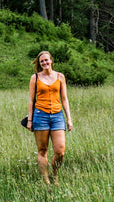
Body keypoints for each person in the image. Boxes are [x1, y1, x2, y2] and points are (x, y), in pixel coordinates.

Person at [25, 50, 73, 185]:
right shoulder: (35, 77)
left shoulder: (60, 76)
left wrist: (69, 118)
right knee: (42, 150)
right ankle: (46, 179)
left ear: (51, 60)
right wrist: (30, 120)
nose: (45, 62)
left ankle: (54, 174)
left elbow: (64, 98)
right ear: (39, 64)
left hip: (57, 115)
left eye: (46, 60)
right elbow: (30, 99)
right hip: (40, 116)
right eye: (42, 61)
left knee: (60, 151)